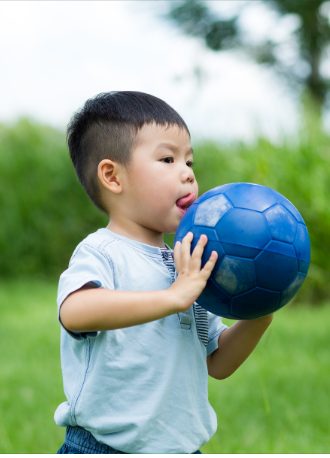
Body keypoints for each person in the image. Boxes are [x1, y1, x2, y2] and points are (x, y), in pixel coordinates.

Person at [55, 91, 273, 454]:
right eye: (168, 159)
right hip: (105, 448)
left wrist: (258, 316)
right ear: (112, 176)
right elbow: (75, 312)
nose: (187, 173)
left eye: (190, 161)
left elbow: (217, 362)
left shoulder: (185, 263)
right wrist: (172, 297)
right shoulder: (104, 252)